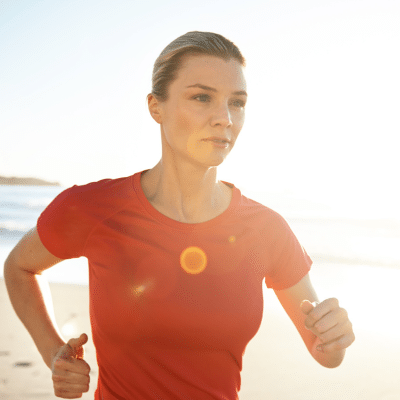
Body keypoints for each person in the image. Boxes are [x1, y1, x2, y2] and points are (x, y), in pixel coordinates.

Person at [4, 31, 355, 399]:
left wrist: (334, 339)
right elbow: (20, 267)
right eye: (202, 97)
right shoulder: (93, 208)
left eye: (237, 102)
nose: (224, 118)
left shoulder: (266, 229)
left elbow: (324, 352)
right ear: (156, 106)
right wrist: (52, 352)